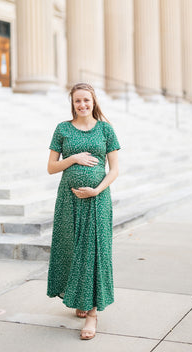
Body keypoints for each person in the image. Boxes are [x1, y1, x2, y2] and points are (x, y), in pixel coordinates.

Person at [46, 82, 120, 340]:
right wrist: (74, 159)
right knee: (72, 250)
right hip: (68, 201)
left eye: (86, 100)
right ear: (73, 103)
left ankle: (92, 315)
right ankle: (79, 296)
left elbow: (114, 170)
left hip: (97, 201)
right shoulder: (62, 129)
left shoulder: (105, 130)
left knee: (93, 252)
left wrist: (96, 190)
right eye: (78, 101)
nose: (82, 105)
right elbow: (51, 168)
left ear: (93, 101)